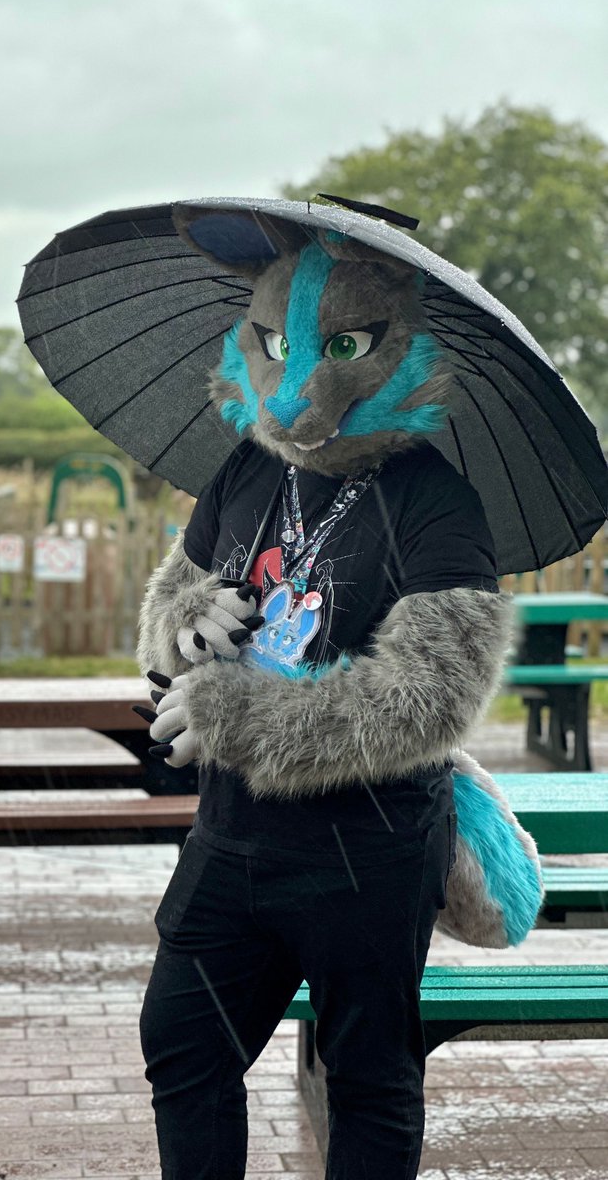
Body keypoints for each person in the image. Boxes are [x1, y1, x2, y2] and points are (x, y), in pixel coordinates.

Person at [133, 208, 516, 1179]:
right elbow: (165, 607)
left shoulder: (438, 502)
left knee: (369, 1079)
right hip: (232, 837)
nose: (300, 385)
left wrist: (241, 716)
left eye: (344, 346)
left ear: (402, 345)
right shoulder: (244, 469)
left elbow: (433, 695)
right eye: (273, 345)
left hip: (369, 851)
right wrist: (188, 621)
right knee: (183, 1045)